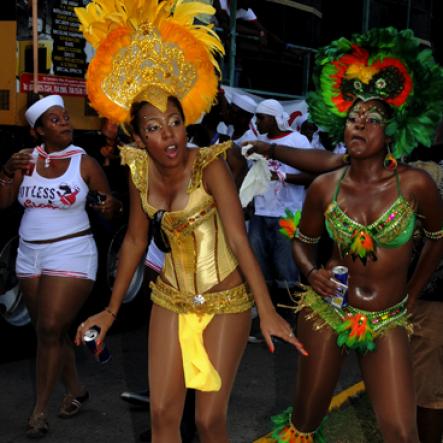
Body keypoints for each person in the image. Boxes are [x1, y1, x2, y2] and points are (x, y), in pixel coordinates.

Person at [73, 2, 306, 443]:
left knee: (207, 421)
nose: (170, 135)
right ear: (138, 136)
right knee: (162, 415)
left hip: (227, 301)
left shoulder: (211, 165)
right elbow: (135, 243)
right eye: (156, 127)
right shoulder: (138, 172)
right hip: (170, 298)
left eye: (176, 123)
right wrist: (111, 308)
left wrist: (269, 311)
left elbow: (238, 239)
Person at [255, 27, 443, 443]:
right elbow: (303, 243)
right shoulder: (326, 186)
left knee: (399, 429)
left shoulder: (415, 185)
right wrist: (310, 273)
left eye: (371, 120)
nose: (358, 126)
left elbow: (437, 237)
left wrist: (411, 295)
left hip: (388, 318)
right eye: (352, 118)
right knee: (306, 418)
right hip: (328, 310)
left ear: (391, 131)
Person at [0, 94, 121, 438]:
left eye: (65, 117)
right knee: (47, 332)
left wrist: (107, 205)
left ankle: (39, 411)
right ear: (38, 131)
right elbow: (5, 202)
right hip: (29, 255)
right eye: (55, 119)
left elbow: (108, 206)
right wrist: (7, 172)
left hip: (71, 252)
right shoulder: (24, 161)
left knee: (51, 327)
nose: (65, 122)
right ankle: (76, 391)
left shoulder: (84, 163)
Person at [248, 99, 313, 315]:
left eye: (261, 117)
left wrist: (282, 176)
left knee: (286, 270)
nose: (257, 122)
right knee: (260, 267)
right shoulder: (259, 141)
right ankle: (267, 318)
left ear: (275, 118)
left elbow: (312, 175)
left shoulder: (299, 140)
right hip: (260, 212)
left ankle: (289, 319)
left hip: (288, 214)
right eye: (256, 117)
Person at [407, 144, 443, 443]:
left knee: (427, 392)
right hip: (422, 296)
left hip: (431, 300)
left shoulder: (429, 175)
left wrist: (412, 294)